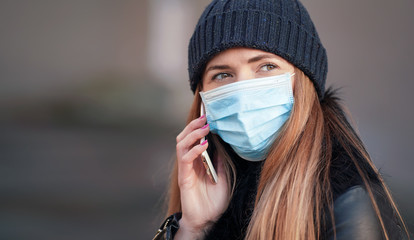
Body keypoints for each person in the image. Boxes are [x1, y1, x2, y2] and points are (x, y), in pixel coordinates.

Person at [153, 0, 410, 239]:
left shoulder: (347, 208)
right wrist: (193, 229)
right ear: (203, 99)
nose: (244, 93)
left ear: (304, 81)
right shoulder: (209, 192)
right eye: (222, 75)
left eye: (266, 66)